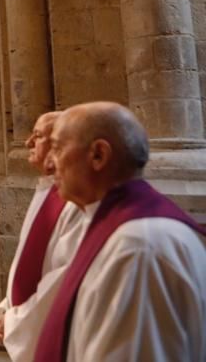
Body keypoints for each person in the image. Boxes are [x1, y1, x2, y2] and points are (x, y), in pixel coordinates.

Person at [33, 102, 205, 361]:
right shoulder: (117, 228)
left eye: (57, 148)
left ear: (98, 155)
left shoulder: (138, 249)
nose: (49, 162)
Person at [0, 112, 87, 360]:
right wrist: (8, 307)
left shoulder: (76, 200)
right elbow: (29, 261)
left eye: (38, 136)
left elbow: (62, 279)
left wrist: (13, 323)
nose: (27, 143)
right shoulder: (48, 189)